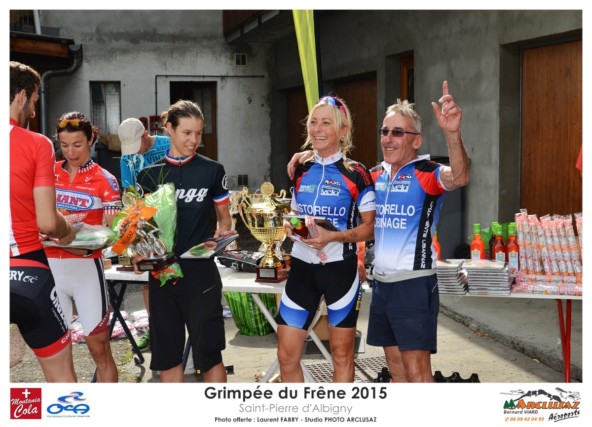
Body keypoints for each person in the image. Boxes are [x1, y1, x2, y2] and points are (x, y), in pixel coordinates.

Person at [288, 81, 469, 382]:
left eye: (398, 132)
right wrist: (305, 155)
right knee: (396, 373)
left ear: (416, 141)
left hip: (413, 284)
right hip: (382, 286)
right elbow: (351, 200)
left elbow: (460, 176)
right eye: (384, 131)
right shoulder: (373, 176)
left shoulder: (427, 174)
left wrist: (452, 134)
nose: (388, 138)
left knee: (417, 374)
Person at [134, 100, 236, 382]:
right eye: (187, 133)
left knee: (210, 357)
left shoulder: (212, 171)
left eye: (199, 133)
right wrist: (138, 252)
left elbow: (224, 221)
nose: (194, 140)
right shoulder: (149, 175)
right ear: (169, 129)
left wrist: (224, 233)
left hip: (201, 276)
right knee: (167, 359)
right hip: (162, 275)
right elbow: (142, 229)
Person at [278, 96, 376, 382]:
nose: (317, 129)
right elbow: (296, 213)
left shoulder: (357, 173)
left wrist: (333, 236)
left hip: (340, 270)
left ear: (343, 131)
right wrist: (291, 226)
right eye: (313, 122)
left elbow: (370, 228)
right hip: (302, 268)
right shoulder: (301, 168)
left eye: (326, 123)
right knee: (286, 355)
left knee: (342, 355)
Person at [9, 61, 78, 382]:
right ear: (21, 96)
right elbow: (49, 223)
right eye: (35, 101)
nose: (34, 112)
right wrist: (70, 229)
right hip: (26, 271)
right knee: (63, 383)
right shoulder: (36, 143)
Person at [45, 111, 122, 382]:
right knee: (57, 355)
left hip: (86, 269)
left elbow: (113, 234)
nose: (70, 152)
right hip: (50, 270)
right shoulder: (47, 172)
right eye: (64, 145)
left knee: (99, 350)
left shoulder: (106, 180)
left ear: (91, 139)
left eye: (77, 145)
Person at [118, 117, 171, 352]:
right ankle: (155, 329)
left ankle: (180, 327)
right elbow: (129, 193)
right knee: (149, 278)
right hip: (145, 221)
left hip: (172, 218)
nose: (132, 153)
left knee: (174, 275)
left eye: (135, 146)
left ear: (145, 136)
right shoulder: (126, 158)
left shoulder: (168, 144)